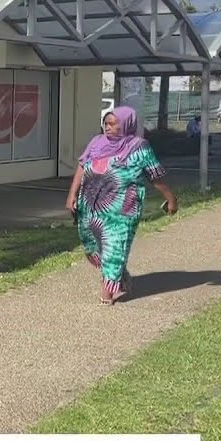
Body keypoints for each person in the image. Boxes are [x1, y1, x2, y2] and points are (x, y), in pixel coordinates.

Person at [66, 106, 178, 305]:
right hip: (91, 206)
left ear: (126, 124)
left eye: (112, 124)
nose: (107, 128)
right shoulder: (96, 142)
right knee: (94, 247)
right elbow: (82, 166)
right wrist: (71, 195)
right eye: (106, 124)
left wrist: (171, 198)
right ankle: (120, 276)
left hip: (123, 208)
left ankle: (106, 293)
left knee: (114, 246)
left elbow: (155, 176)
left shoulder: (138, 146)